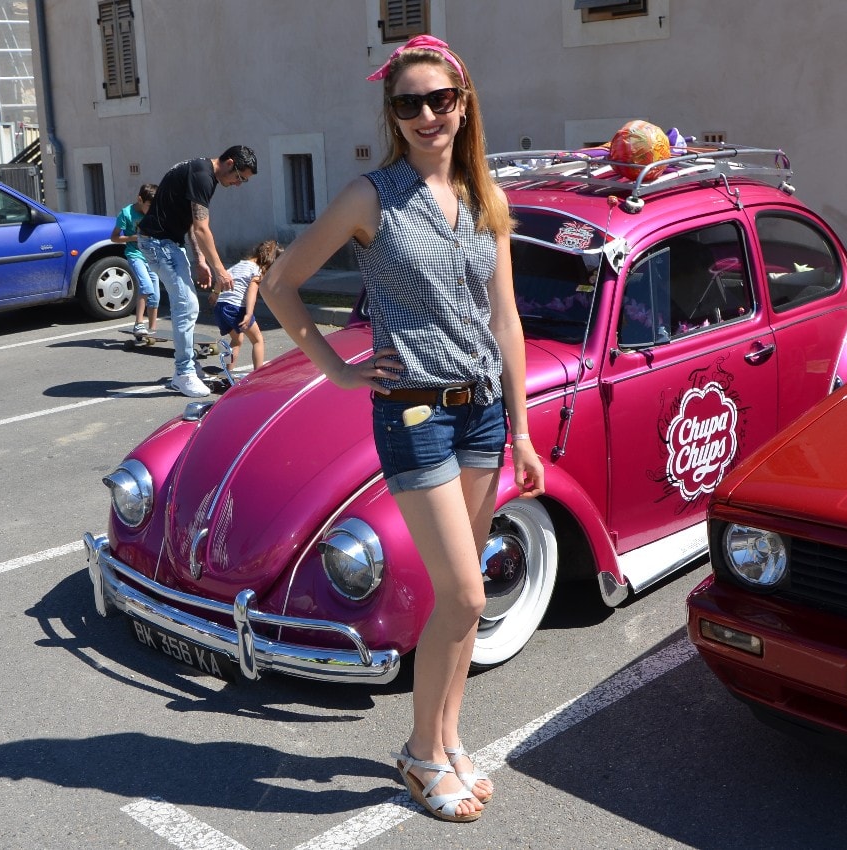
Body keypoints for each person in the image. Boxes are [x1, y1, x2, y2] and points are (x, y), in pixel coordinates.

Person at [261, 35, 543, 823]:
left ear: (464, 104)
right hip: (414, 414)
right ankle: (421, 754)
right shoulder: (371, 196)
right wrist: (339, 370)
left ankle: (448, 738)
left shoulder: (486, 197)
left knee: (466, 600)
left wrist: (522, 430)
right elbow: (282, 283)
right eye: (408, 103)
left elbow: (506, 319)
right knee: (463, 591)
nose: (426, 115)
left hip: (482, 410)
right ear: (392, 112)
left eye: (439, 99)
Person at [138, 145, 256, 397]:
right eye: (239, 177)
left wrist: (200, 260)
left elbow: (192, 222)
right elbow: (202, 229)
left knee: (187, 305)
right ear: (229, 163)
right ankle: (183, 373)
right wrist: (220, 270)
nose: (238, 184)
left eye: (243, 181)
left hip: (169, 243)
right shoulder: (203, 176)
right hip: (158, 243)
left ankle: (188, 366)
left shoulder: (202, 172)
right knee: (186, 305)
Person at [212, 239, 280, 371]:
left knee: (237, 340)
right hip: (236, 308)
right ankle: (258, 375)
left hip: (221, 306)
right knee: (257, 340)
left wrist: (215, 293)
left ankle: (228, 373)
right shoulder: (257, 270)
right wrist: (248, 314)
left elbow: (222, 277)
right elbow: (251, 292)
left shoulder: (240, 265)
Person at [110, 183, 160, 336]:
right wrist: (133, 238)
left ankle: (152, 330)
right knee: (146, 287)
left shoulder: (153, 213)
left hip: (151, 257)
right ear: (140, 199)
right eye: (149, 206)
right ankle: (138, 324)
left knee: (155, 295)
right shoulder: (126, 213)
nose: (152, 210)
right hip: (135, 255)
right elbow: (114, 237)